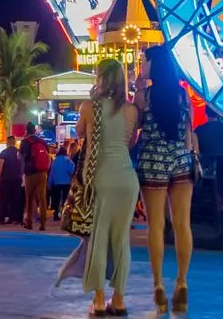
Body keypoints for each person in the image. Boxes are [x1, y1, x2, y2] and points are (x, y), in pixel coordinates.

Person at [135, 44, 195, 315]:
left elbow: (136, 126)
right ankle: (182, 281)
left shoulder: (145, 96)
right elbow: (188, 132)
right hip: (181, 160)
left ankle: (158, 284)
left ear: (153, 66)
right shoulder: (183, 95)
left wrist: (137, 88)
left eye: (144, 62)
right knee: (183, 224)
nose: (142, 66)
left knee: (156, 225)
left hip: (153, 162)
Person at [78, 58, 139, 317]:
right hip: (127, 178)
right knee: (121, 240)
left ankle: (100, 299)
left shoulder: (90, 107)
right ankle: (120, 299)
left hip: (101, 177)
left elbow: (80, 133)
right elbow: (131, 141)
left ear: (101, 78)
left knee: (99, 239)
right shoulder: (132, 110)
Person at [20, 121, 50, 231]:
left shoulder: (25, 142)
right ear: (35, 130)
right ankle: (43, 223)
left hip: (30, 174)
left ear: (26, 131)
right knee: (42, 198)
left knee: (29, 198)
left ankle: (29, 222)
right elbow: (48, 157)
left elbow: (20, 157)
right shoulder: (42, 141)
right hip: (42, 173)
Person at [0, 136, 23, 224]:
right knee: (15, 200)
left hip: (5, 179)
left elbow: (0, 166)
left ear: (7, 142)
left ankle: (2, 218)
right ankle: (14, 219)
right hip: (17, 179)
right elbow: (22, 165)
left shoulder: (3, 153)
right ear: (14, 142)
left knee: (3, 200)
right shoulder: (19, 153)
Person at [49, 146, 75, 222]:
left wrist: (50, 183)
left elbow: (51, 173)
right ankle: (64, 215)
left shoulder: (55, 160)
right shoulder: (68, 160)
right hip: (66, 182)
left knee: (56, 199)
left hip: (56, 182)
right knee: (65, 199)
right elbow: (71, 170)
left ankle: (56, 214)